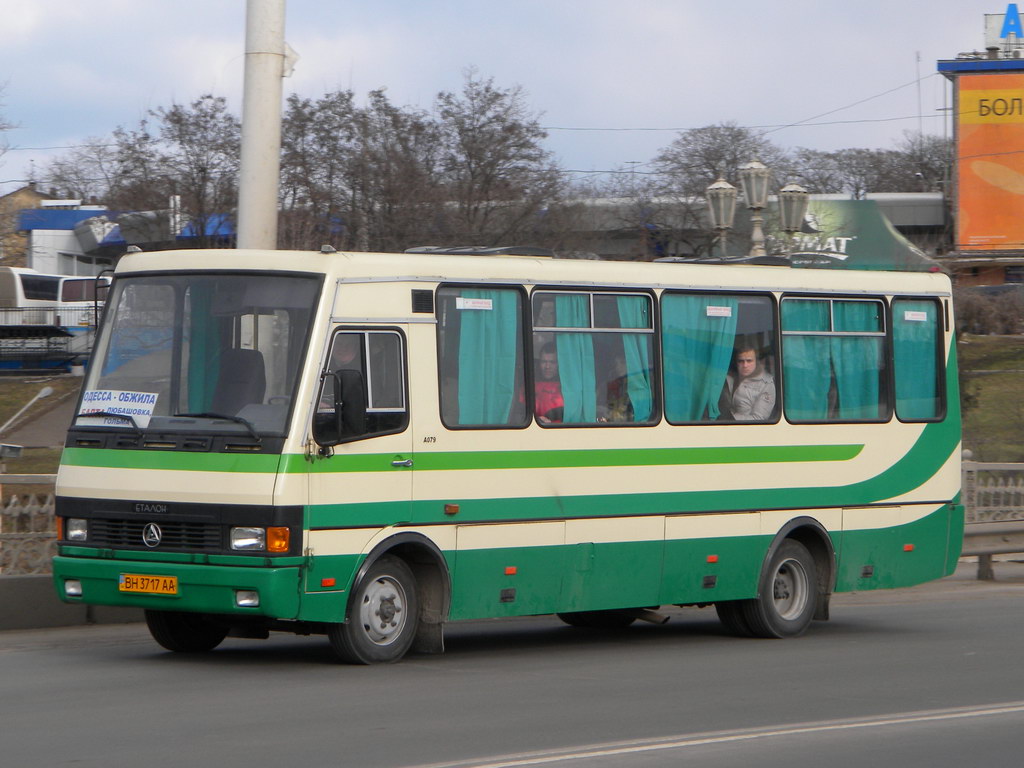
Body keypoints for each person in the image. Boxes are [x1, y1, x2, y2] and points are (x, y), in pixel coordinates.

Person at [720, 345, 775, 421]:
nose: (745, 365)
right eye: (741, 361)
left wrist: (730, 418)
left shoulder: (766, 384)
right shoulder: (728, 378)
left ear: (756, 361)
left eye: (749, 361)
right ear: (736, 362)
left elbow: (758, 419)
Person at [534, 342, 564, 423]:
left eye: (552, 362)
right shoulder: (528, 387)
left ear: (559, 364)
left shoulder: (568, 389)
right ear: (539, 363)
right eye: (544, 362)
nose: (547, 366)